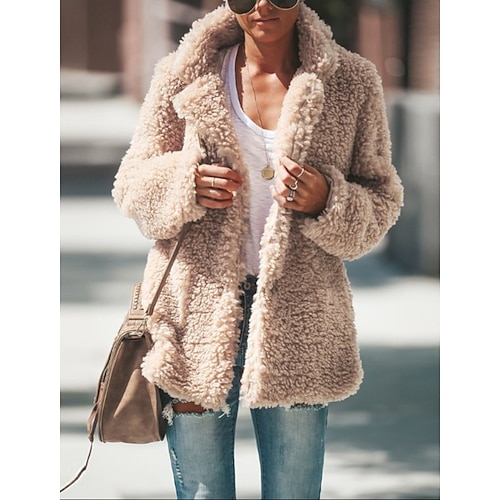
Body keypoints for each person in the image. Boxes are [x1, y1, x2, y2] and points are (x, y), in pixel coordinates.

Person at [112, 1, 404, 498]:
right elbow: (132, 185)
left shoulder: (351, 82)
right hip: (195, 314)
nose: (263, 5)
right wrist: (185, 183)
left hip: (302, 316)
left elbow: (382, 198)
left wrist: (328, 199)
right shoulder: (184, 74)